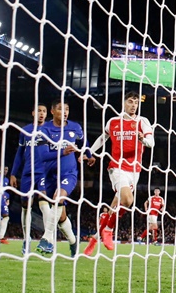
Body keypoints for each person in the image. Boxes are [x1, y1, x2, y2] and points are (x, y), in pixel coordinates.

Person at [82, 90, 154, 256]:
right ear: (124, 103)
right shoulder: (113, 121)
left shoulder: (142, 122)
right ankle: (108, 229)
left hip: (134, 170)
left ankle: (94, 239)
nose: (133, 105)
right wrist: (88, 153)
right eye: (130, 101)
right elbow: (102, 138)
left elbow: (151, 142)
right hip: (116, 166)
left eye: (136, 102)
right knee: (128, 200)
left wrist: (142, 139)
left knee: (114, 207)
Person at [36, 99, 84, 257]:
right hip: (49, 174)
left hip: (68, 173)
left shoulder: (75, 127)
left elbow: (84, 143)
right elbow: (43, 155)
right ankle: (73, 241)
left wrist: (88, 155)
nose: (65, 112)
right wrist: (63, 152)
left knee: (58, 198)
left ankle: (47, 238)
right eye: (61, 109)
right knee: (60, 215)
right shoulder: (44, 130)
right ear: (52, 111)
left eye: (67, 109)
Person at [8, 104, 49, 255]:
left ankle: (47, 239)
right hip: (27, 173)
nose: (41, 114)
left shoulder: (50, 130)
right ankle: (27, 239)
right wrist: (13, 173)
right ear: (33, 113)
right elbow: (19, 154)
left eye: (44, 111)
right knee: (26, 204)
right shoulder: (25, 130)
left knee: (44, 201)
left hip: (43, 172)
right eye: (39, 111)